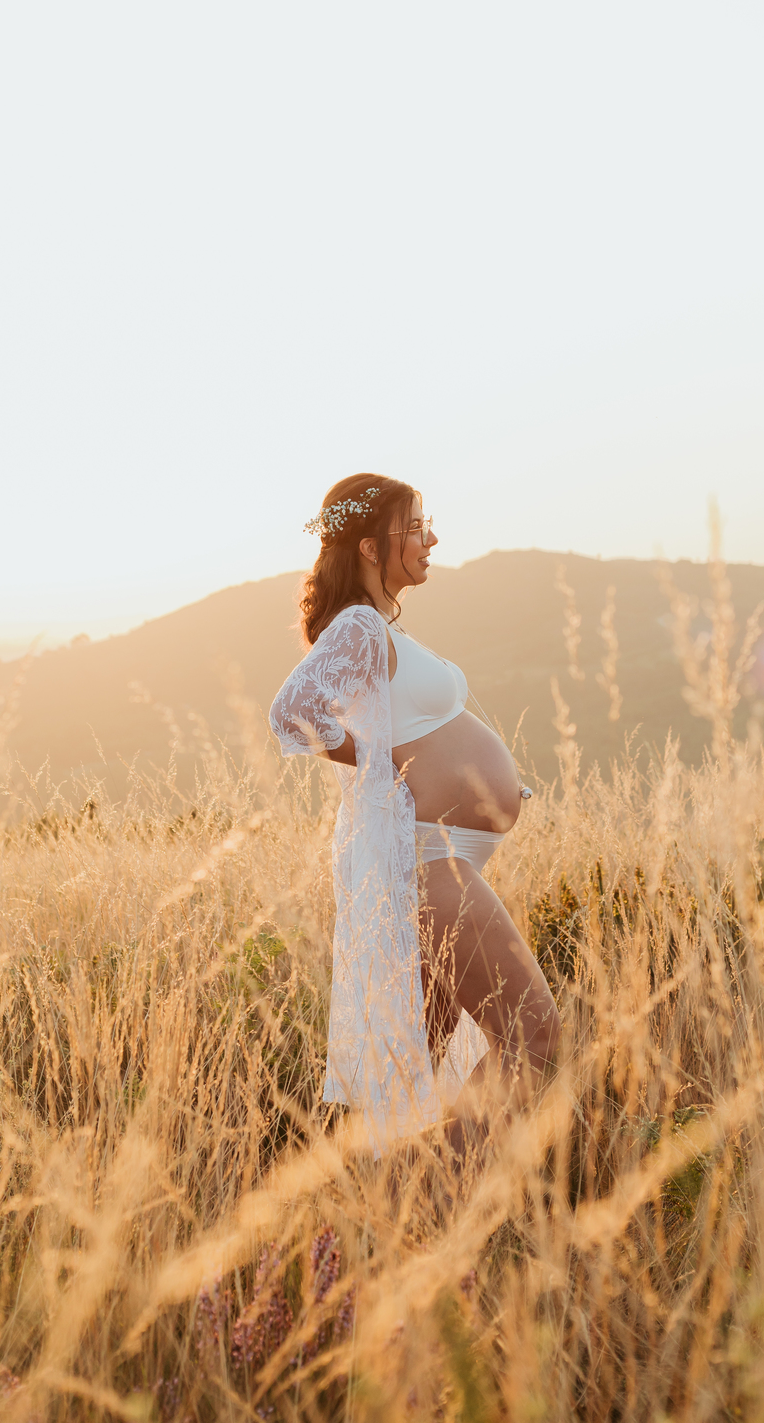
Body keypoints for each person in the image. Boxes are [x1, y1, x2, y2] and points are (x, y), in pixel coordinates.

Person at [269, 472, 560, 1157]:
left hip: (441, 857)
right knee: (535, 1037)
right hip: (426, 860)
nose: (431, 538)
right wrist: (382, 769)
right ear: (371, 546)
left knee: (415, 1071)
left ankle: (403, 1219)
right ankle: (443, 1196)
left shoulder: (376, 628)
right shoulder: (361, 623)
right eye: (417, 525)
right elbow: (292, 714)